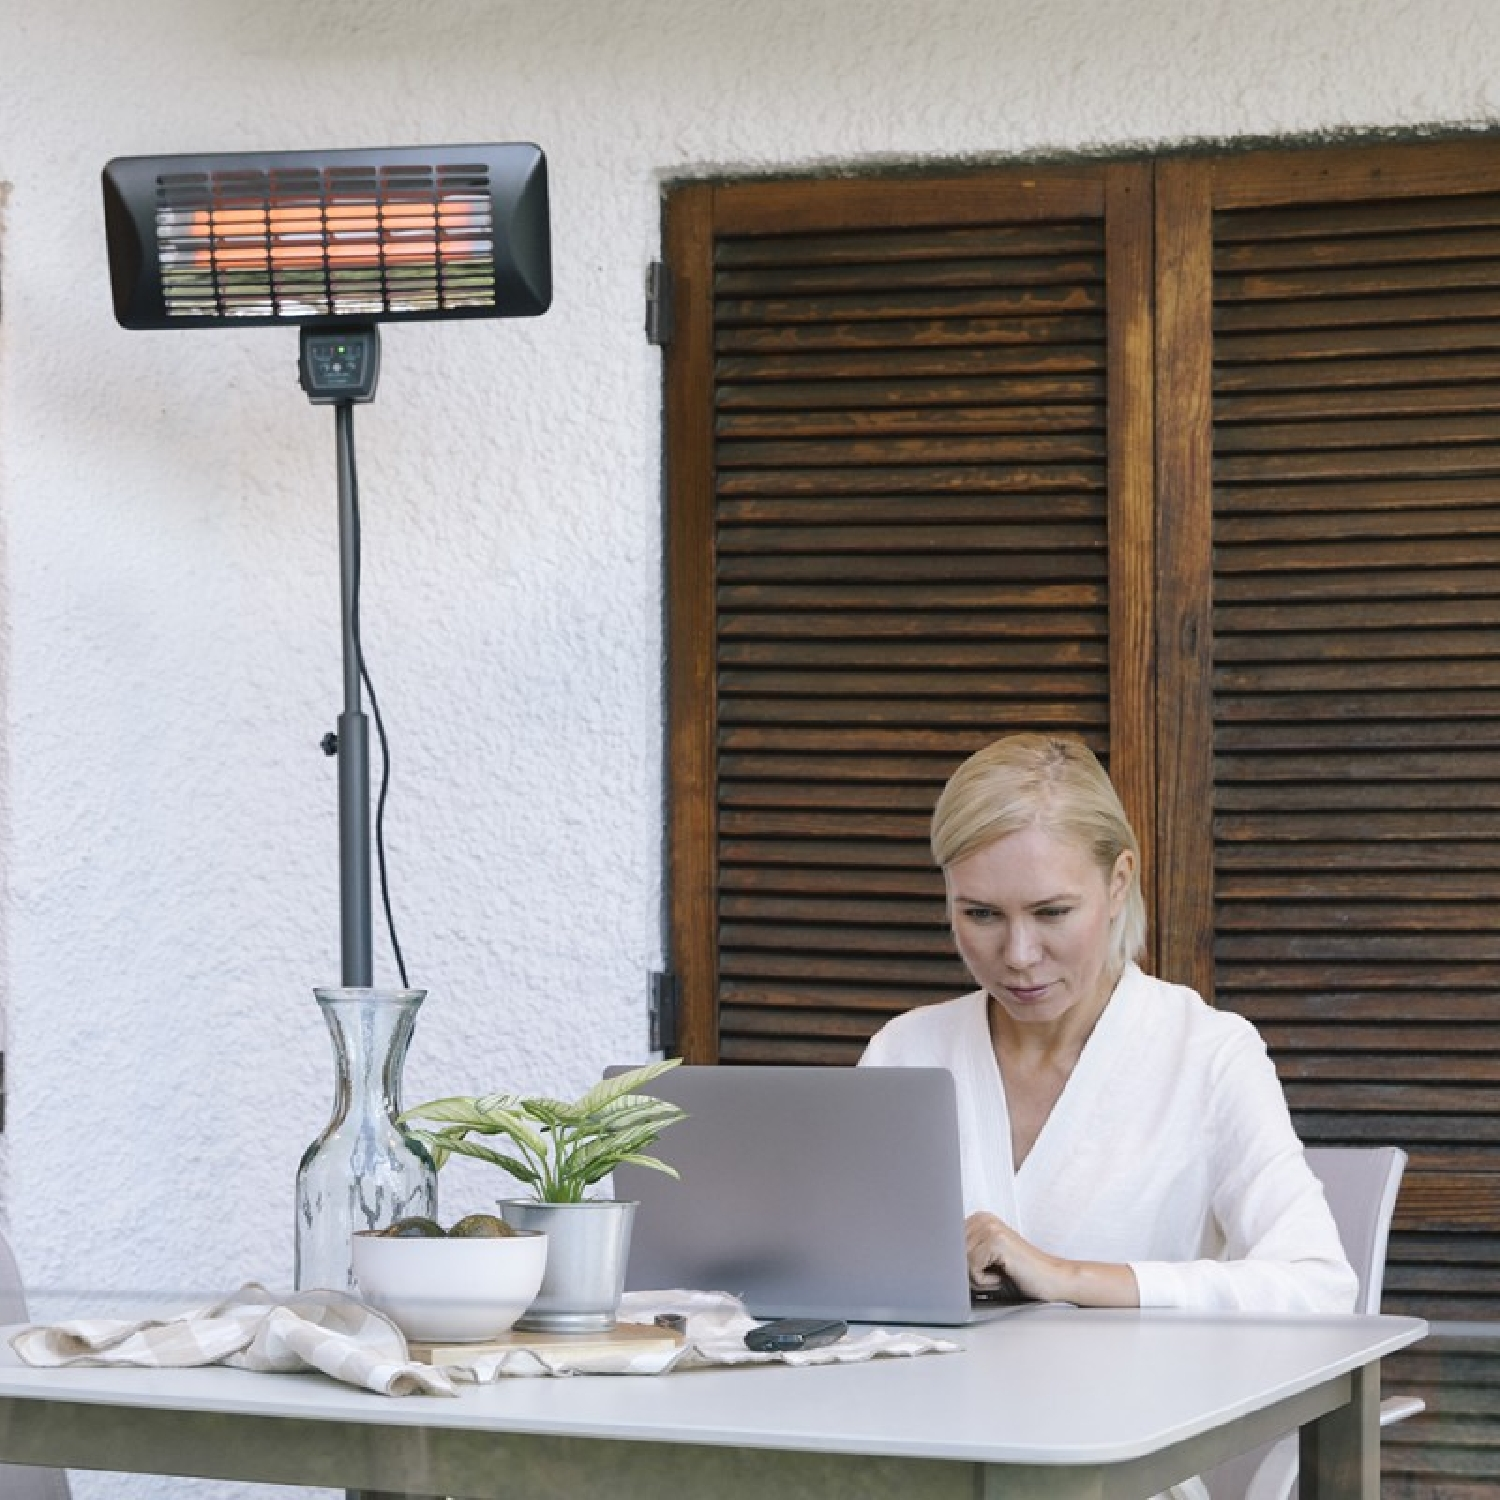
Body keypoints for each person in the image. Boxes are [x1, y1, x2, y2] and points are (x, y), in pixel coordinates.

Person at [860, 732, 1357, 1316]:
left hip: (1151, 1406)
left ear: (1119, 882)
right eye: (981, 914)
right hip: (933, 1405)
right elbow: (845, 1280)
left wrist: (1069, 1277)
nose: (1019, 954)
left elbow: (1318, 1285)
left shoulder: (1207, 1055)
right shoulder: (907, 1052)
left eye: (1052, 912)